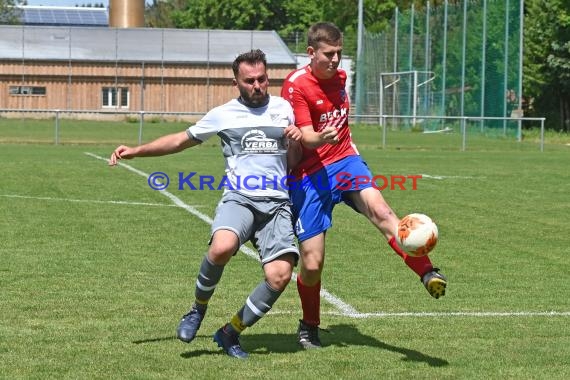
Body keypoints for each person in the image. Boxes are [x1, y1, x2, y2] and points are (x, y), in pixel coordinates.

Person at [109, 49, 302, 359]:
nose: (257, 85)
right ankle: (197, 310)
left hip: (277, 203)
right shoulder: (223, 113)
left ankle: (230, 332)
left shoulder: (284, 109)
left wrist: (295, 143)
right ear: (236, 82)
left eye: (262, 79)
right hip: (240, 198)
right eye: (249, 80)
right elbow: (180, 140)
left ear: (269, 78)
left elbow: (294, 162)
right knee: (221, 248)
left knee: (280, 275)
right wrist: (137, 150)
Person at [280, 22, 448, 349]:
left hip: (346, 160)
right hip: (310, 175)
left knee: (384, 213)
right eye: (328, 54)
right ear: (311, 53)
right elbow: (305, 135)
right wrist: (320, 136)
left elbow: (337, 127)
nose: (335, 60)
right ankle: (309, 324)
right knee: (312, 264)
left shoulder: (342, 78)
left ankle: (429, 273)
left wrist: (335, 140)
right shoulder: (296, 85)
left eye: (340, 54)